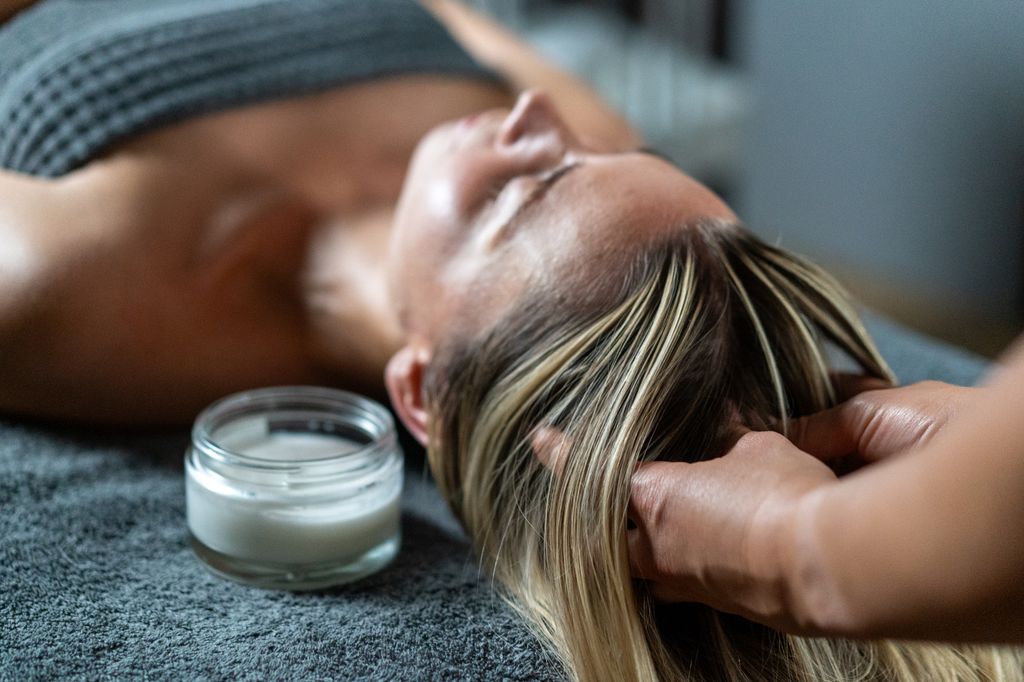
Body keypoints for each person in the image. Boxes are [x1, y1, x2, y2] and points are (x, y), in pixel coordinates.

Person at [1, 2, 1020, 681]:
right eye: (591, 158)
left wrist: (804, 553)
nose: (537, 111)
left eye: (533, 186)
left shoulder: (76, 288)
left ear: (420, 395)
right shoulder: (582, 123)